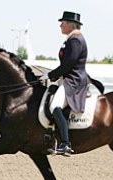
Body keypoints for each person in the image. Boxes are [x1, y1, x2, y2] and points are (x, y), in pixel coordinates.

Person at [40, 11, 89, 155]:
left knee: (54, 106)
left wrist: (50, 75)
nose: (61, 25)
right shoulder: (71, 39)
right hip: (69, 78)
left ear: (70, 24)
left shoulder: (75, 40)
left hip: (73, 80)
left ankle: (65, 143)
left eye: (63, 22)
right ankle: (53, 138)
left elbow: (67, 65)